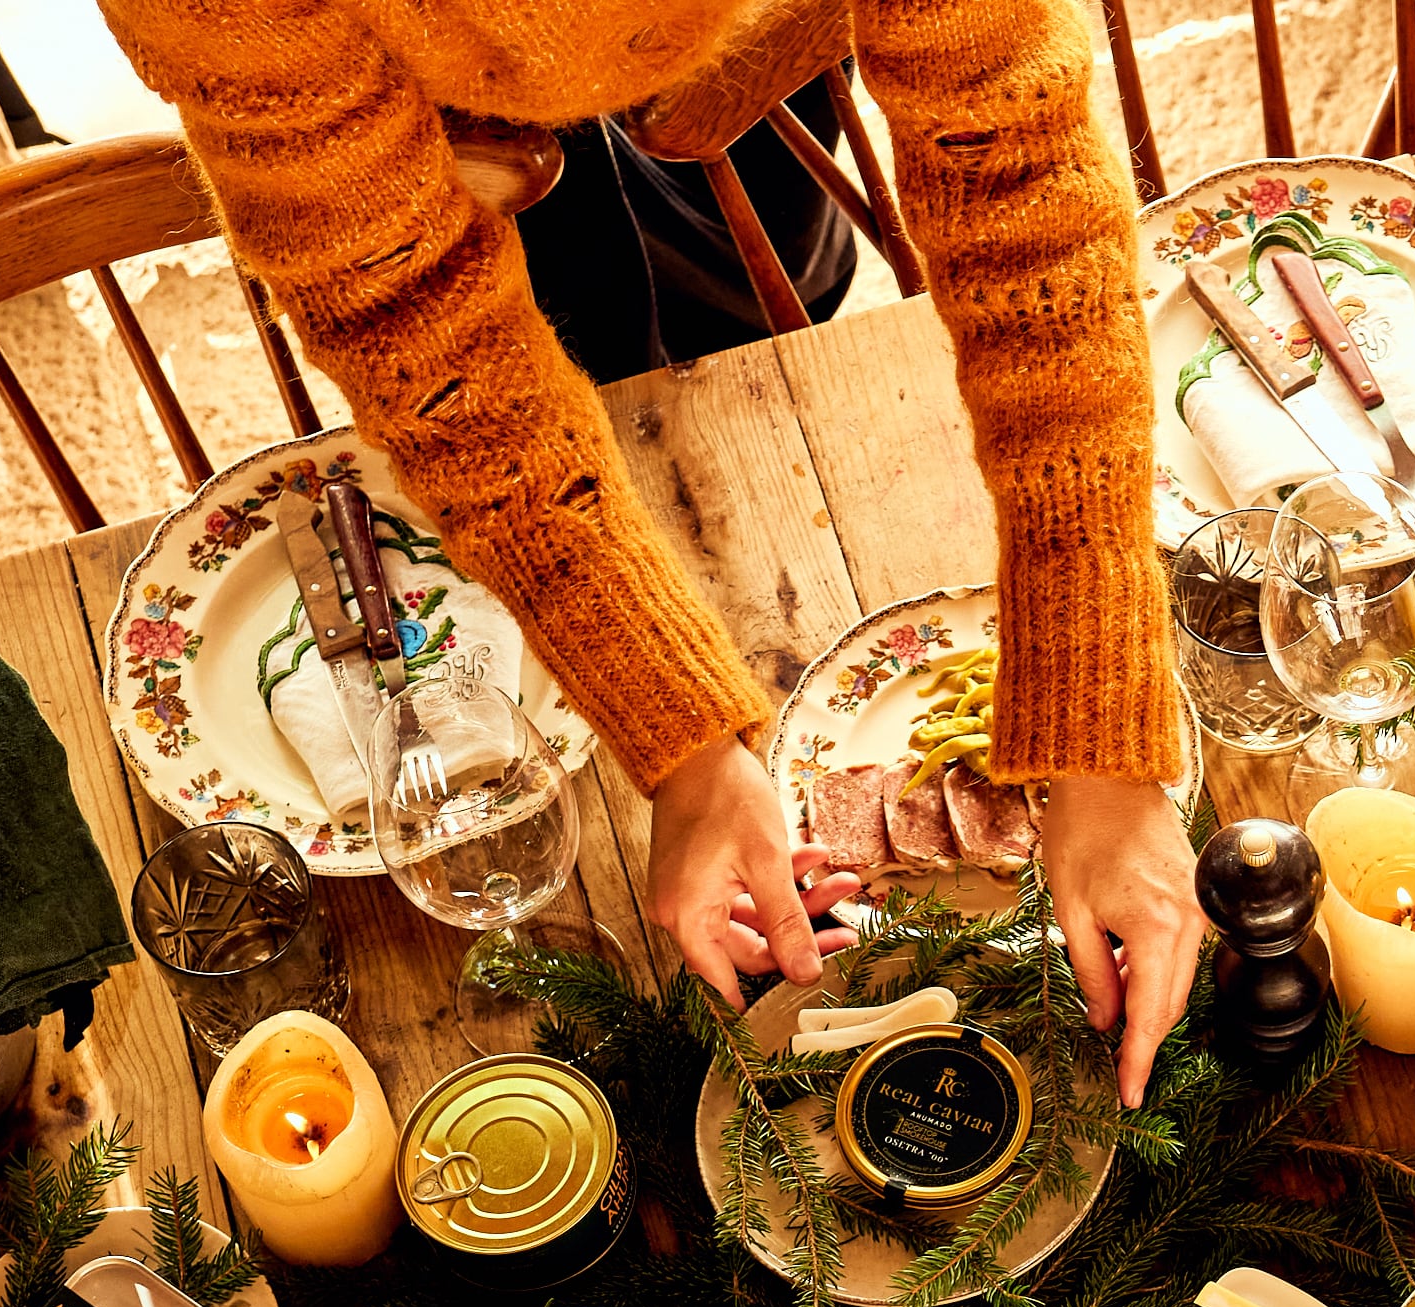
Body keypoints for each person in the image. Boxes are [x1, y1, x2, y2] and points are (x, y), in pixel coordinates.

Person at [100, 0, 1205, 1102]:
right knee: (592, 319)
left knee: (768, 273)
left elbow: (1014, 160)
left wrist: (1102, 734)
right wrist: (676, 734)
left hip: (735, 44)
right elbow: (412, 317)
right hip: (435, 100)